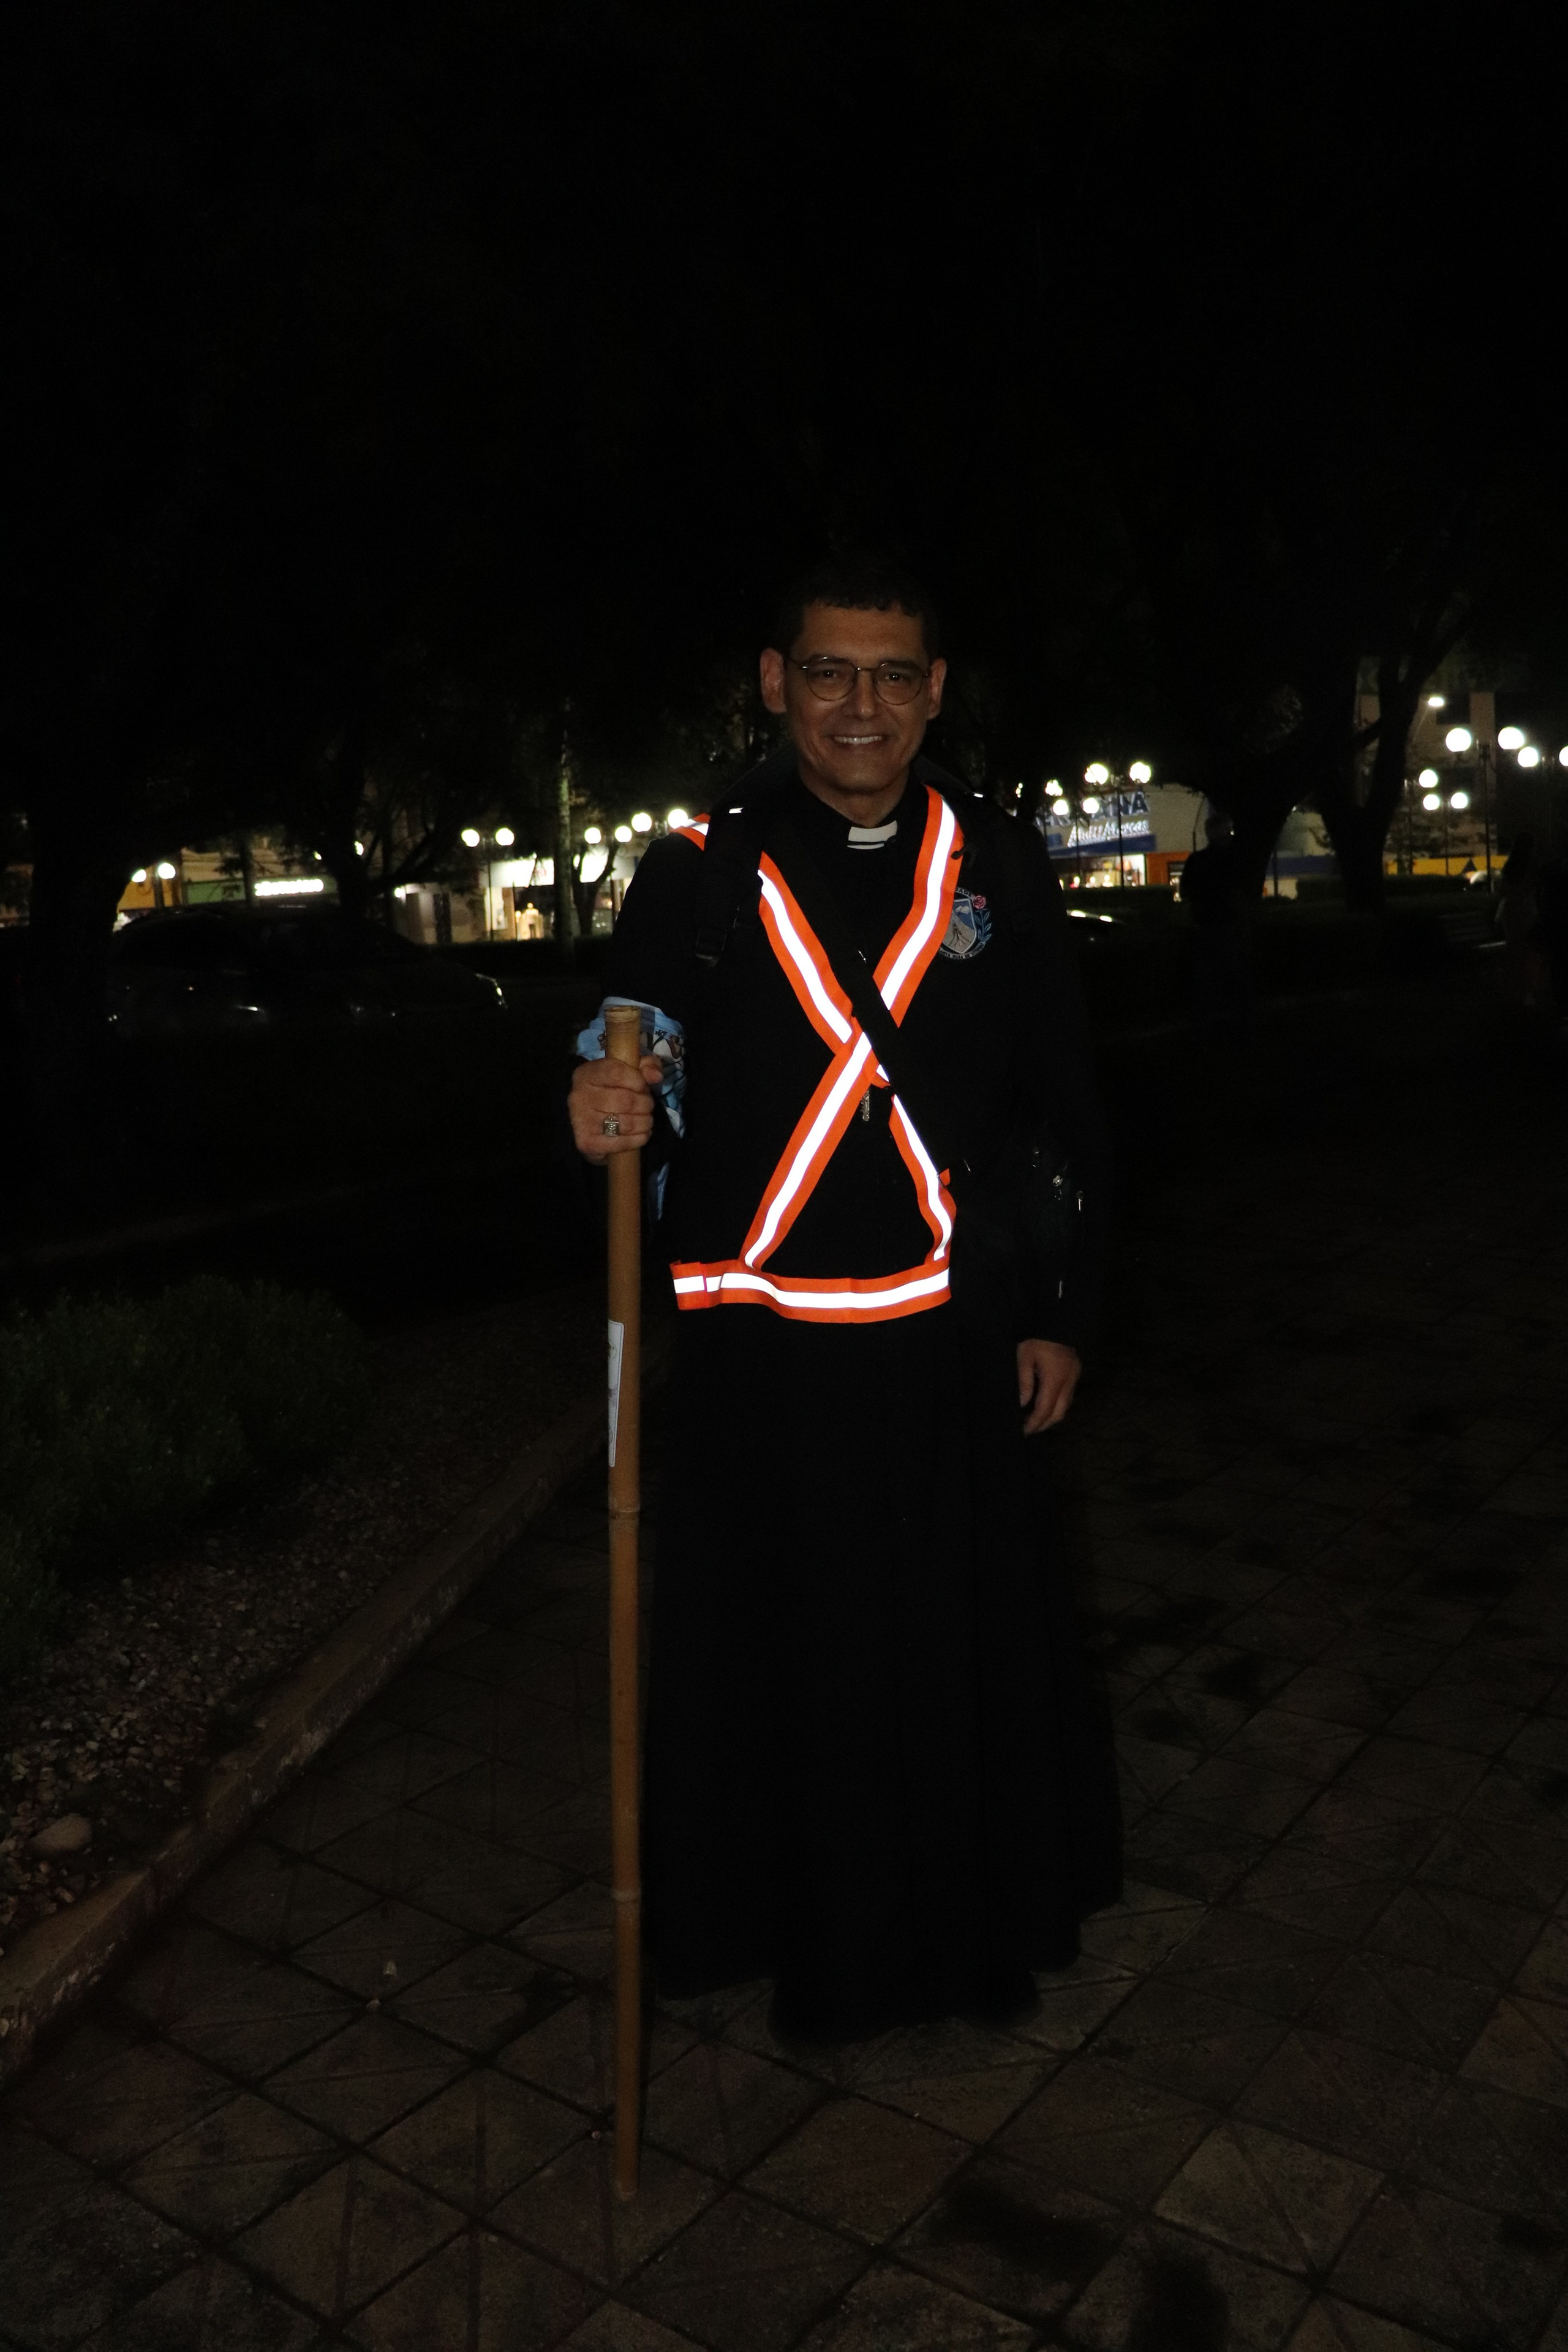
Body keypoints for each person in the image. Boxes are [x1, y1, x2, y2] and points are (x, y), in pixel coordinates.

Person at [568, 556, 1120, 2043]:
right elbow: (636, 1030)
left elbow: (1058, 1106)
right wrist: (605, 1088)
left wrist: (1057, 1305)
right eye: (827, 672)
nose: (858, 706)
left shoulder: (995, 861)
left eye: (891, 676)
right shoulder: (693, 865)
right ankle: (794, 1933)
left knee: (950, 1655)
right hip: (764, 1350)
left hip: (951, 1337)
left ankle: (961, 1939)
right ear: (773, 682)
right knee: (788, 1665)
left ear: (934, 691)